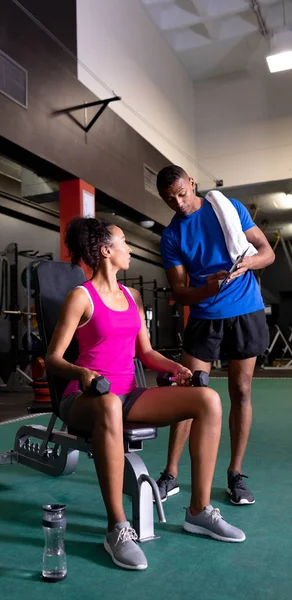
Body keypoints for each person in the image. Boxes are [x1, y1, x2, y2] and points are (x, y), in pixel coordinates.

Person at [45, 216, 246, 572]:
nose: (130, 248)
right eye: (124, 242)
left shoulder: (131, 296)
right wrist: (83, 373)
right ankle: (118, 528)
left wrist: (175, 369)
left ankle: (198, 511)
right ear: (107, 251)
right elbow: (54, 358)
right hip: (85, 398)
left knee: (208, 400)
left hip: (127, 394)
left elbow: (146, 353)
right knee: (108, 405)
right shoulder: (81, 298)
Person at [155, 165, 275, 508]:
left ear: (192, 183)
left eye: (181, 193)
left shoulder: (230, 208)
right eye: (168, 199)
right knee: (190, 392)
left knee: (240, 390)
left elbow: (268, 252)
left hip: (245, 310)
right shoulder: (171, 237)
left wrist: (248, 265)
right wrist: (207, 287)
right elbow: (180, 290)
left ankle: (235, 474)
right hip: (206, 317)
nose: (178, 203)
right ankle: (170, 474)